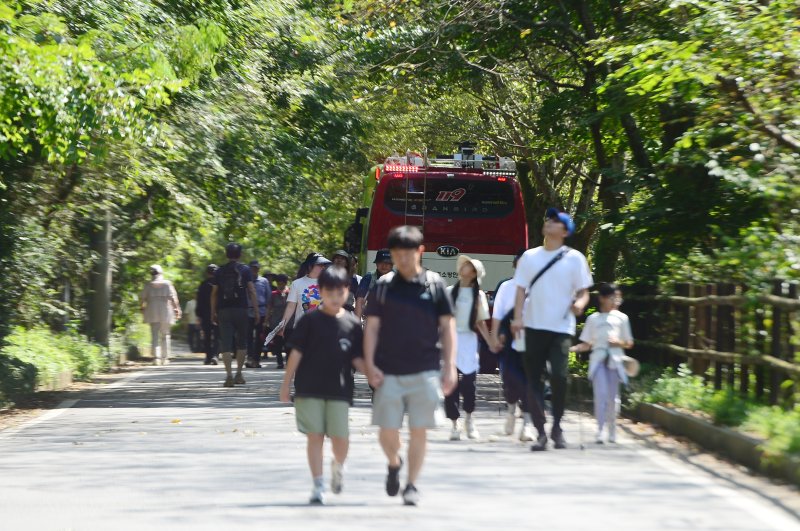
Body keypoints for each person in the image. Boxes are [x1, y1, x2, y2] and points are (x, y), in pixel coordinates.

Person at [364, 225, 456, 506]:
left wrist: (449, 366)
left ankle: (412, 484)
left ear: (420, 251)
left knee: (419, 429)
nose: (403, 259)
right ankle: (394, 462)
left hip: (426, 368)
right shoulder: (383, 286)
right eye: (397, 254)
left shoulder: (435, 284)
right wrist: (368, 364)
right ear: (392, 254)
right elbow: (372, 328)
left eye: (408, 253)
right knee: (386, 431)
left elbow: (448, 326)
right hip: (388, 369)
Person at [279, 266, 366, 505]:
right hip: (309, 388)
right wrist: (286, 384)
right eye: (330, 292)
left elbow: (357, 358)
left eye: (340, 292)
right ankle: (318, 485)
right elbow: (296, 353)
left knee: (340, 438)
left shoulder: (352, 324)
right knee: (314, 436)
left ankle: (338, 466)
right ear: (320, 292)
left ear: (347, 291)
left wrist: (372, 374)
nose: (335, 297)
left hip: (339, 389)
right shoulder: (309, 321)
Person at [510, 208, 593, 451]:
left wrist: (580, 304)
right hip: (533, 326)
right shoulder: (529, 257)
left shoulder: (575, 258)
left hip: (561, 327)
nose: (549, 223)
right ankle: (540, 431)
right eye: (548, 219)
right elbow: (520, 289)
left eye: (555, 221)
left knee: (559, 375)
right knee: (533, 380)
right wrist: (517, 318)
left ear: (565, 231)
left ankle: (557, 425)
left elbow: (583, 290)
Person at [570, 283, 634, 444]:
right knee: (600, 396)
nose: (615, 300)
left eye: (617, 297)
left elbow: (629, 343)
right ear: (602, 298)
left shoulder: (622, 318)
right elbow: (586, 344)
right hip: (598, 361)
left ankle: (612, 429)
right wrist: (570, 349)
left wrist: (618, 342)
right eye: (612, 297)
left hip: (615, 361)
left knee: (613, 398)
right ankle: (600, 431)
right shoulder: (593, 319)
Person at [444, 255, 493, 441]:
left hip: (469, 341)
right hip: (451, 339)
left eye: (470, 267)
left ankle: (469, 418)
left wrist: (490, 341)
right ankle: (455, 423)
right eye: (464, 265)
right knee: (451, 383)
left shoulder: (478, 295)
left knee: (469, 383)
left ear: (474, 273)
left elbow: (480, 322)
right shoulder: (449, 292)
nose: (465, 268)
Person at [490, 251, 535, 441]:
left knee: (530, 381)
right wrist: (495, 335)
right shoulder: (506, 286)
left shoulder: (537, 287)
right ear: (515, 265)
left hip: (532, 336)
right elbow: (498, 313)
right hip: (509, 335)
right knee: (509, 377)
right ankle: (510, 412)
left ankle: (527, 425)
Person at [211, 243, 260, 387]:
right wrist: (256, 311)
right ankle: (239, 374)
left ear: (227, 254)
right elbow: (251, 290)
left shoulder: (219, 271)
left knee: (226, 343)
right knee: (242, 342)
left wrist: (212, 312)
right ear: (240, 255)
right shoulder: (245, 270)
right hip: (241, 310)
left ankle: (228, 376)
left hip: (224, 311)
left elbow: (214, 293)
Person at [278, 253, 332, 347]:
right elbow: (291, 307)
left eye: (324, 265)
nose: (323, 267)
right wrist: (282, 325)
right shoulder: (296, 284)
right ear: (310, 266)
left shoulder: (329, 283)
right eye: (319, 264)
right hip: (302, 329)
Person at [140, 265, 181, 366]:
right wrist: (177, 309)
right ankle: (165, 358)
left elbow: (142, 299)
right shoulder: (167, 284)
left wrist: (142, 308)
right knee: (165, 335)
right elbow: (173, 298)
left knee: (154, 335)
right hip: (165, 310)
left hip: (152, 310)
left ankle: (156, 358)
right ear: (161, 273)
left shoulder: (148, 285)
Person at [354, 249, 393, 319]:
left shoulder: (398, 279)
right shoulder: (368, 277)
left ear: (392, 265)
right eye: (381, 262)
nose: (384, 266)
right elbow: (360, 301)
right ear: (376, 263)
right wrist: (357, 323)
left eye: (387, 263)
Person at [245, 260, 271, 368]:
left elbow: (269, 299)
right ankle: (250, 357)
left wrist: (267, 318)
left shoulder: (264, 281)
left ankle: (257, 359)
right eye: (252, 268)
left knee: (260, 337)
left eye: (256, 268)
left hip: (261, 312)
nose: (254, 270)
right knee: (248, 336)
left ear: (258, 269)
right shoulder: (245, 281)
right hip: (248, 312)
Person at [196, 264, 219, 365]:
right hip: (218, 313)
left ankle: (208, 357)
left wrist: (199, 315)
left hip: (205, 313)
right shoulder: (220, 284)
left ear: (207, 273)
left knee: (207, 336)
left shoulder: (203, 284)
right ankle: (215, 355)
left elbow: (199, 301)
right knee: (217, 336)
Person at [267, 274, 290, 368]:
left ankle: (289, 361)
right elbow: (269, 308)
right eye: (278, 283)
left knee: (289, 343)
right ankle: (280, 362)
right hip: (276, 322)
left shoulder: (291, 293)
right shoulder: (273, 294)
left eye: (282, 283)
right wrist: (266, 320)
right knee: (278, 344)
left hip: (289, 322)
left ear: (285, 283)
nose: (280, 285)